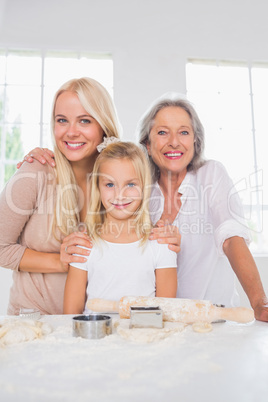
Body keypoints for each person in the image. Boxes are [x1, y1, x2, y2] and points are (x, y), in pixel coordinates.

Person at [137, 94, 268, 322]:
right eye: (162, 132)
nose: (174, 142)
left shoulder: (211, 174)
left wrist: (259, 302)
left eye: (184, 132)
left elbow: (231, 235)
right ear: (147, 145)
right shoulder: (139, 191)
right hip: (158, 323)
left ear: (195, 142)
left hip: (213, 323)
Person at [0, 77, 122, 315]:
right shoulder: (35, 172)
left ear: (104, 126)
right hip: (35, 324)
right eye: (62, 120)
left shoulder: (119, 181)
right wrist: (60, 261)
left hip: (97, 324)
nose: (71, 132)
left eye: (84, 120)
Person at [64, 140, 177, 314]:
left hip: (145, 337)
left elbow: (166, 313)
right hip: (93, 338)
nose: (119, 195)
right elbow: (71, 315)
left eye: (131, 184)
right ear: (98, 187)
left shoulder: (161, 244)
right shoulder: (84, 244)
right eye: (110, 184)